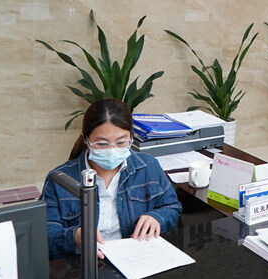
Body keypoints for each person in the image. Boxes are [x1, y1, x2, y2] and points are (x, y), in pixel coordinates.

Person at [41, 98, 182, 259]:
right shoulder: (60, 179)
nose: (112, 150)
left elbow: (172, 207)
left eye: (121, 142)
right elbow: (45, 233)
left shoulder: (148, 167)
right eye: (102, 144)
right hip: (84, 263)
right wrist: (75, 236)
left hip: (135, 258)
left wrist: (157, 218)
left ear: (131, 137)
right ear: (86, 139)